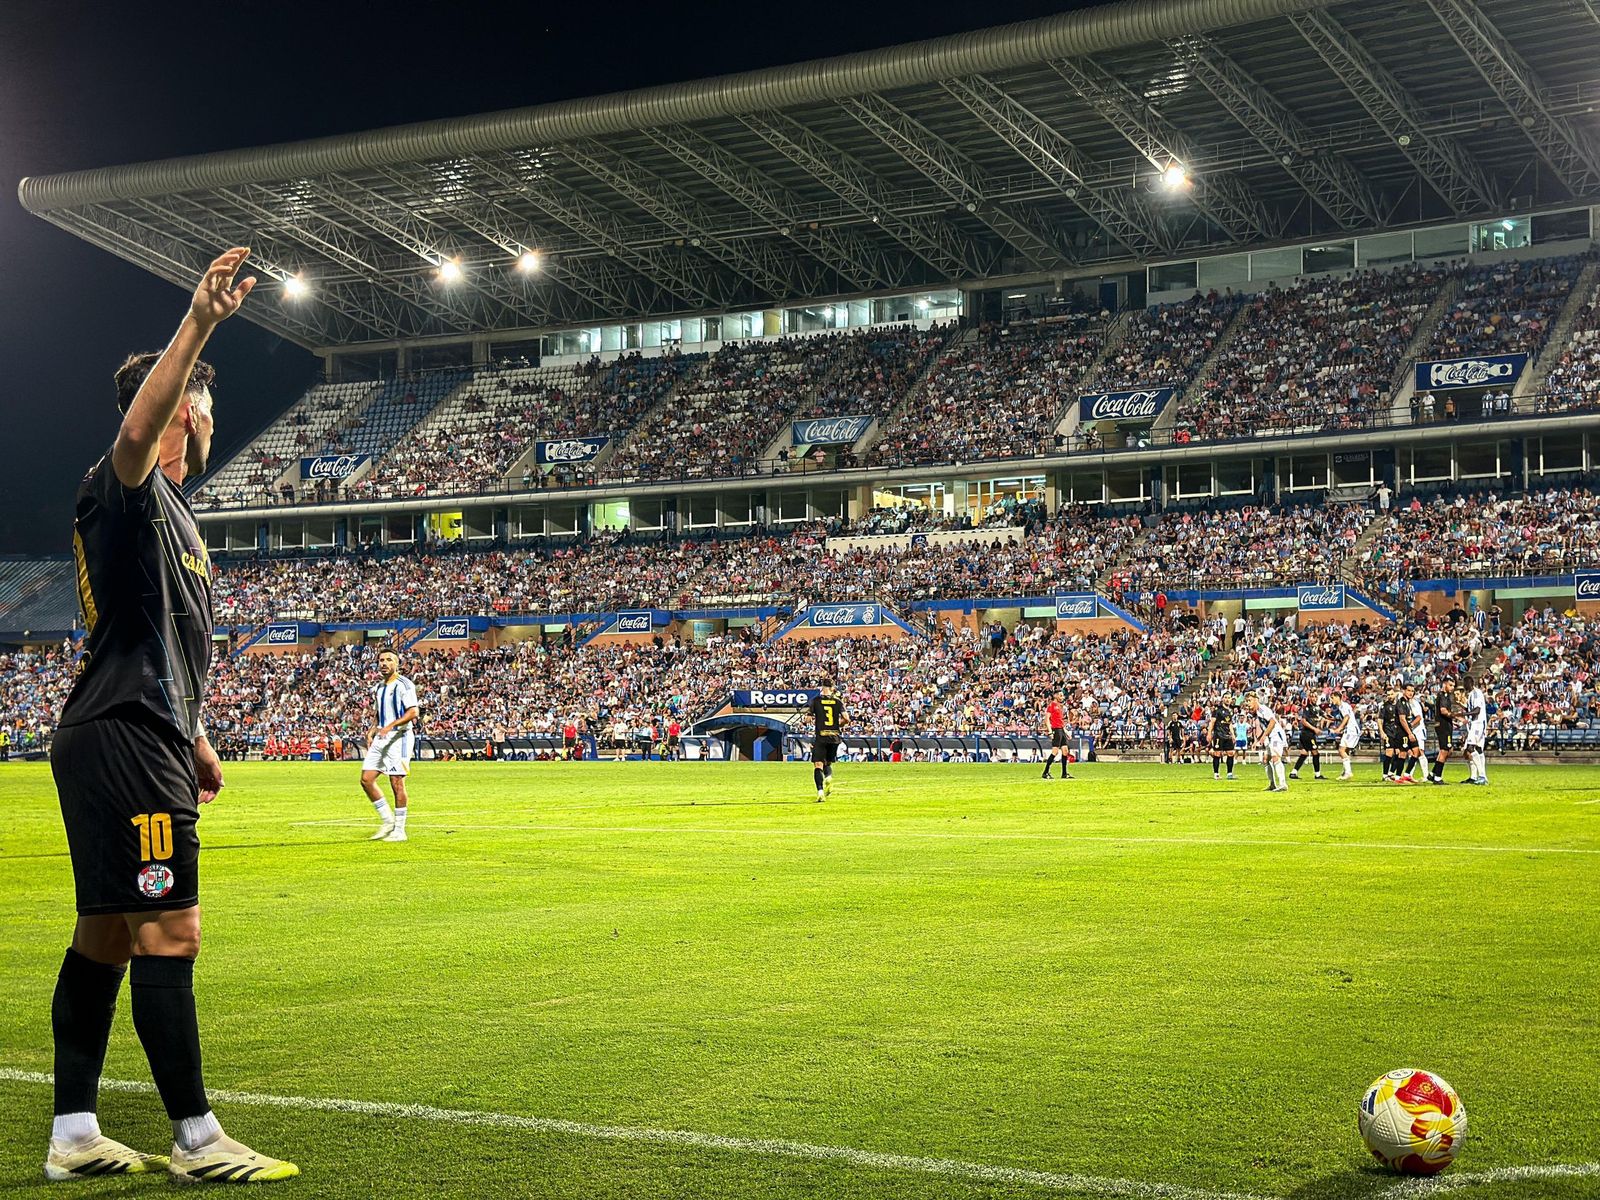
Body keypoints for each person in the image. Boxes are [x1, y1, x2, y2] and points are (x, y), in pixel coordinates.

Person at [45, 248, 297, 1182]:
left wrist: (194, 738)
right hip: (122, 741)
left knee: (108, 934)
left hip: (136, 733)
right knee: (170, 929)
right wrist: (198, 323)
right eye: (205, 401)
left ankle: (74, 1134)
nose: (212, 416)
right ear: (186, 406)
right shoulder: (127, 486)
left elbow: (152, 639)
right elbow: (133, 436)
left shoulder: (177, 519)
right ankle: (196, 1138)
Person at [359, 650, 419, 842]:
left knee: (396, 782)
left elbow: (413, 712)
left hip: (399, 737)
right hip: (382, 736)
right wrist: (372, 730)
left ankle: (400, 830)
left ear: (397, 663)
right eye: (381, 660)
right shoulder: (378, 687)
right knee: (366, 779)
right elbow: (380, 713)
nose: (384, 663)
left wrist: (390, 727)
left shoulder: (404, 685)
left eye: (389, 660)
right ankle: (387, 821)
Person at [807, 681, 845, 800]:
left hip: (821, 736)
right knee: (828, 763)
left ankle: (820, 793)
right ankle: (828, 777)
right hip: (834, 736)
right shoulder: (838, 701)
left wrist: (810, 718)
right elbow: (846, 718)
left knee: (818, 764)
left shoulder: (816, 701)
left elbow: (808, 719)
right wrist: (837, 725)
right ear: (832, 687)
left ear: (822, 687)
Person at [1255, 690, 1289, 792]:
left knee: (1275, 757)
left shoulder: (1262, 709)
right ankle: (1272, 784)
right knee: (1266, 759)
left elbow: (1273, 721)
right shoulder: (1257, 712)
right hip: (1271, 736)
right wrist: (1258, 738)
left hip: (1276, 735)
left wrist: (1264, 735)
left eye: (1249, 701)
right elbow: (1265, 726)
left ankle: (1283, 784)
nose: (1247, 704)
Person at [1462, 678, 1490, 785]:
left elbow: (1477, 710)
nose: (1465, 685)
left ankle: (1482, 776)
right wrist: (1461, 705)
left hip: (1478, 723)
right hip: (1475, 724)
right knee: (1477, 749)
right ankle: (1474, 777)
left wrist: (1464, 715)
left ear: (1472, 683)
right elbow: (1471, 709)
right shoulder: (1471, 695)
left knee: (1470, 748)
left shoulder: (1476, 693)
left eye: (1466, 683)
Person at [1040, 691, 1073, 780]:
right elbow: (1047, 719)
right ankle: (1045, 772)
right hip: (1055, 730)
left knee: (1065, 751)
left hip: (1061, 730)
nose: (1062, 697)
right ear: (1055, 696)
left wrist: (1065, 732)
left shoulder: (1060, 706)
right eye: (1060, 695)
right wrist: (1050, 732)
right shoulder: (1051, 705)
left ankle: (1064, 773)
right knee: (1055, 751)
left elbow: (1061, 722)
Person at [1290, 697, 1325, 780]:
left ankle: (1293, 773)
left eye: (1316, 696)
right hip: (1307, 734)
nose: (1315, 698)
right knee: (1315, 753)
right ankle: (1317, 775)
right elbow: (1304, 721)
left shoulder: (1316, 708)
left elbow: (1325, 715)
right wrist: (1315, 729)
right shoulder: (1307, 708)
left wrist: (1335, 719)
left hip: (1307, 734)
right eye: (1313, 697)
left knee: (1304, 754)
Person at [1397, 683, 1426, 784]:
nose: (1411, 693)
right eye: (1408, 690)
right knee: (1403, 753)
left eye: (1412, 691)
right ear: (1403, 691)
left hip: (1408, 730)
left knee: (1416, 751)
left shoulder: (1408, 703)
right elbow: (1402, 719)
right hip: (1403, 731)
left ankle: (1406, 775)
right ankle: (1398, 778)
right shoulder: (1401, 702)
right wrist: (1409, 733)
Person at [1331, 689, 1361, 781]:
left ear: (1337, 697)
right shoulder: (1341, 707)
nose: (1331, 700)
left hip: (1351, 730)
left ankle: (1348, 772)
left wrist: (1339, 728)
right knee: (1345, 751)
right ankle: (1345, 772)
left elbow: (1347, 717)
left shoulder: (1344, 706)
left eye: (1332, 698)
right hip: (1351, 730)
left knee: (1341, 750)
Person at [1429, 686, 1457, 784]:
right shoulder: (1443, 696)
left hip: (1444, 725)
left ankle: (1433, 773)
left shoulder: (1444, 696)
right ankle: (1437, 778)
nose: (1452, 688)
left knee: (1449, 750)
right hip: (1444, 726)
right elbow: (1443, 711)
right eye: (1450, 685)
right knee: (1445, 750)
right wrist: (1455, 715)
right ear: (1445, 684)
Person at [1379, 688, 1404, 781]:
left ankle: (1391, 772)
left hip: (1397, 732)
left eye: (1391, 694)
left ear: (1395, 694)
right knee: (1389, 752)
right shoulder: (1384, 706)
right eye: (1388, 695)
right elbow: (1380, 720)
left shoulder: (1399, 705)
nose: (1389, 696)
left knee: (1398, 752)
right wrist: (1382, 732)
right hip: (1388, 731)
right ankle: (1385, 775)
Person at [1209, 698, 1236, 780]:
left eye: (1229, 698)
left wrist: (1233, 734)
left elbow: (1230, 724)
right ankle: (1216, 774)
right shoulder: (1217, 710)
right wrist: (1209, 733)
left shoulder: (1230, 711)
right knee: (1217, 754)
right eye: (1226, 697)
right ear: (1223, 699)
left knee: (1231, 753)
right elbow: (1212, 722)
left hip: (1227, 735)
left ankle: (1229, 774)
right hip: (1218, 735)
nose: (1228, 699)